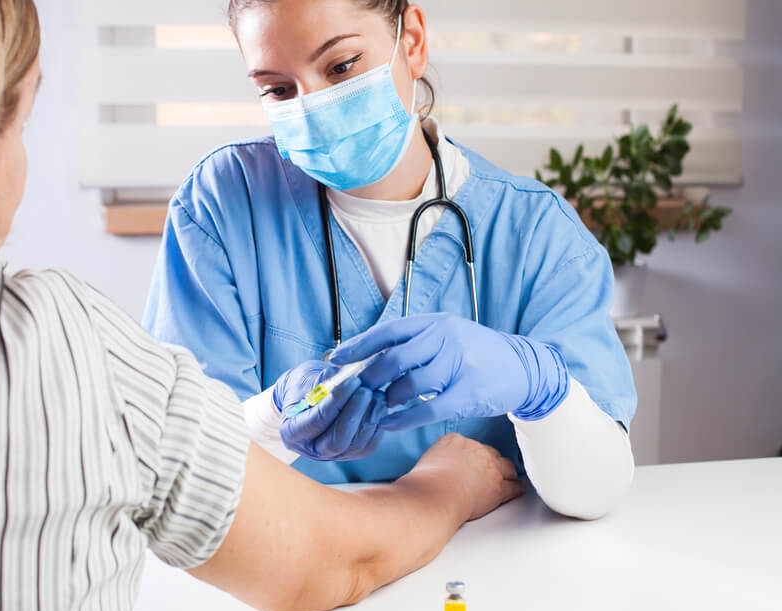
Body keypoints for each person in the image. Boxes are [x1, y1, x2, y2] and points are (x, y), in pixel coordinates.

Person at [0, 1, 523, 611]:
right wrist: (449, 483)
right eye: (26, 118)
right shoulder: (70, 346)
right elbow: (327, 564)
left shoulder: (521, 218)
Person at [143, 0, 637, 520]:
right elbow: (178, 476)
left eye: (341, 66)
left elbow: (596, 493)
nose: (311, 107)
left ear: (412, 41)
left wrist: (540, 387)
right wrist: (271, 419)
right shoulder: (224, 205)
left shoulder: (536, 234)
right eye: (278, 89)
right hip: (291, 574)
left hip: (484, 584)